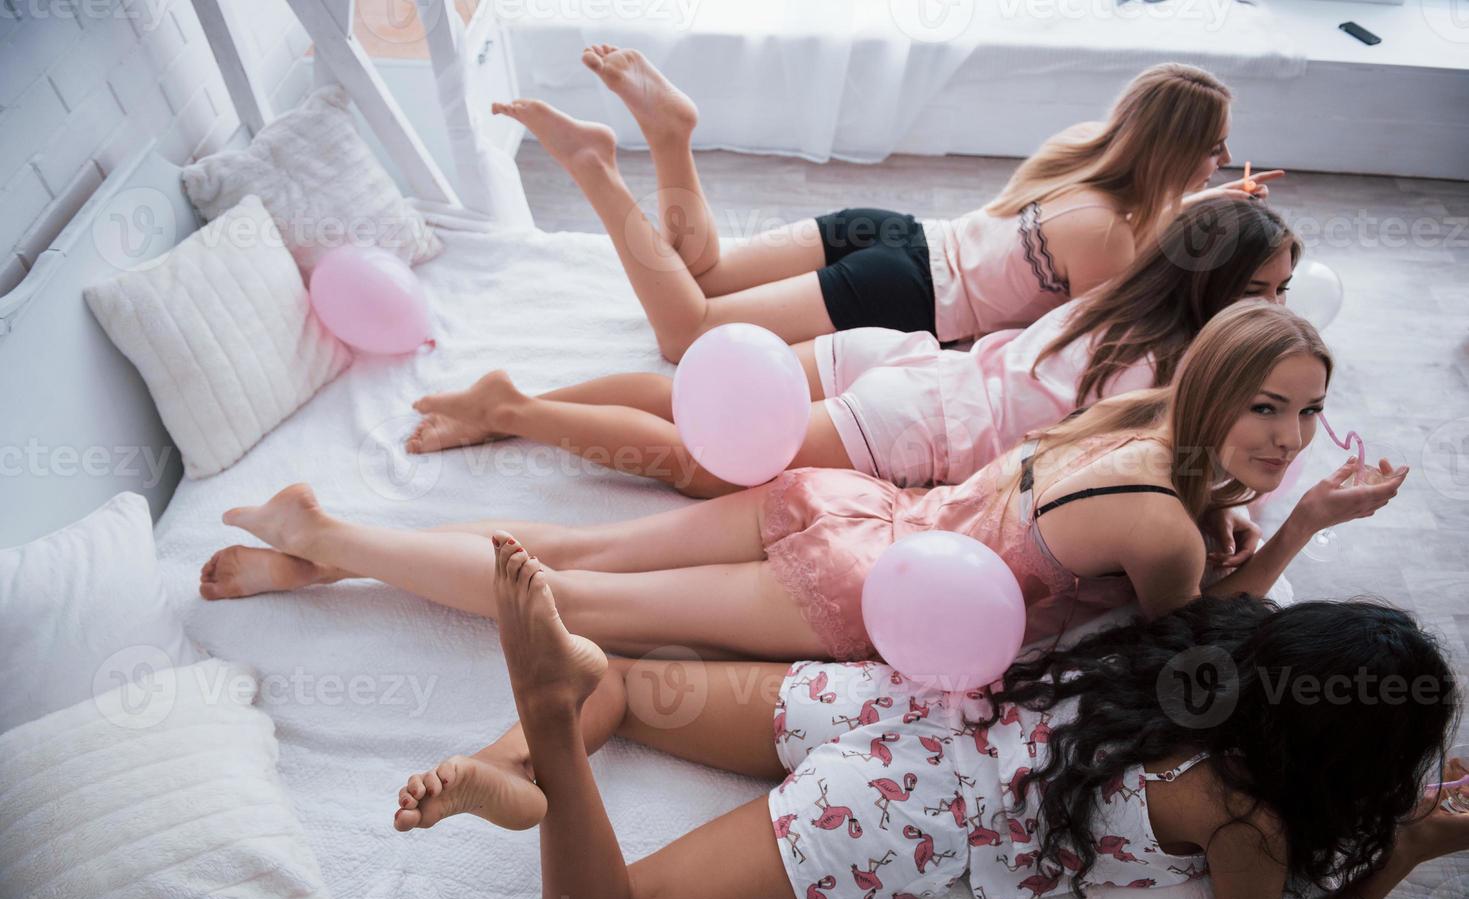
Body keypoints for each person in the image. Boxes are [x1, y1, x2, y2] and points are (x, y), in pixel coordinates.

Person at [392, 543, 1466, 899]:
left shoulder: (1209, 647)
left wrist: (1306, 524)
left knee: (618, 680)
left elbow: (1233, 590)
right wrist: (1404, 848)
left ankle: (529, 745)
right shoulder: (1250, 824)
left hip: (915, 705)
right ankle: (548, 747)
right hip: (904, 809)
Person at [200, 303, 1404, 662]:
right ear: (1210, 395)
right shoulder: (1168, 530)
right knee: (577, 602)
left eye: (1305, 411)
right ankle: (338, 538)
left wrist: (1255, 501)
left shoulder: (1133, 414)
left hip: (851, 505)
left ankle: (320, 545)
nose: (1290, 435)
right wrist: (1295, 523)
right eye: (1264, 407)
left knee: (584, 555)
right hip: (856, 582)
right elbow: (1194, 644)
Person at [406, 198, 1299, 512]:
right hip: (919, 420)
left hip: (907, 361)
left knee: (694, 394)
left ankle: (506, 401)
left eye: (1281, 295)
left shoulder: (1133, 288)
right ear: (1216, 283)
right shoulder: (1188, 365)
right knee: (705, 463)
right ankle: (510, 410)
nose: (1272, 311)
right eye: (1258, 290)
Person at [479, 48, 1281, 362]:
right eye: (1214, 150)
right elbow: (1076, 341)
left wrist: (1206, 194)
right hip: (905, 291)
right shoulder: (1116, 239)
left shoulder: (1082, 152)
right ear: (1181, 156)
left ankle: (671, 138)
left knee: (706, 274)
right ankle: (594, 165)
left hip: (891, 231)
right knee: (685, 334)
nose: (1220, 163)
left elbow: (1144, 198)